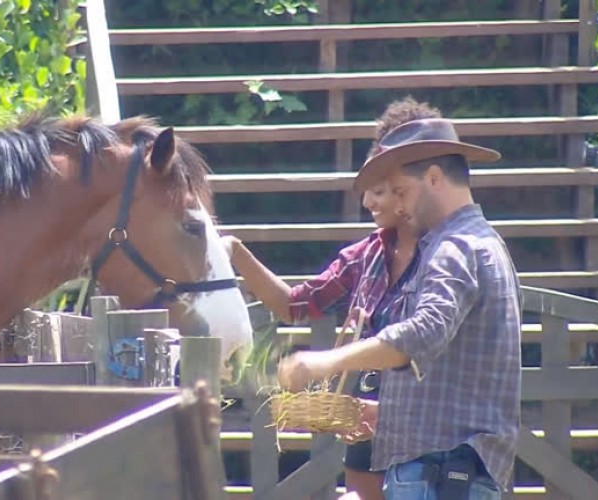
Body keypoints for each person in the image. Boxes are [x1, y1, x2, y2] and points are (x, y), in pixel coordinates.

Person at [277, 115, 522, 500]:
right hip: (448, 470)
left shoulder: (454, 247)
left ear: (435, 178)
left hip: (439, 475)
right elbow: (457, 378)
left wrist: (326, 361)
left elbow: (425, 331)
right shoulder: (483, 243)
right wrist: (385, 416)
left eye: (401, 191)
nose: (400, 206)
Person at [223, 97, 442, 500]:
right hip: (367, 429)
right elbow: (294, 304)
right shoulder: (366, 256)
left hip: (434, 439)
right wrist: (236, 253)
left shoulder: (450, 256)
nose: (368, 202)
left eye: (379, 190)